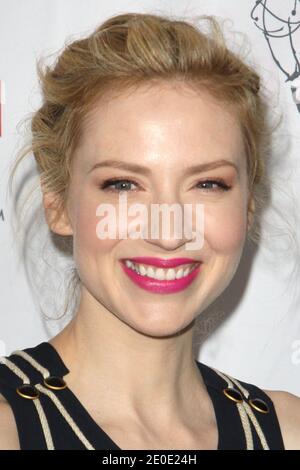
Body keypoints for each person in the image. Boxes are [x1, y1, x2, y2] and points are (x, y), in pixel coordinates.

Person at [0, 12, 299, 450]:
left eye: (207, 183)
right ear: (58, 202)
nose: (167, 231)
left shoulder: (287, 433)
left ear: (249, 204)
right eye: (123, 185)